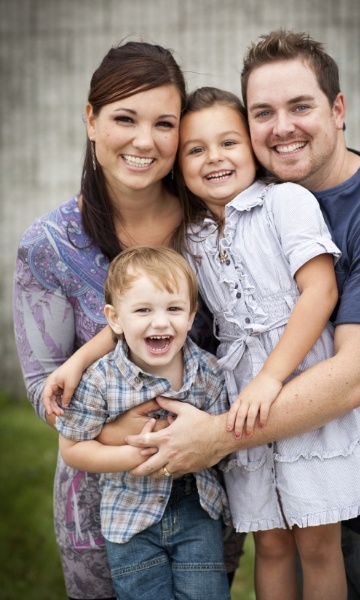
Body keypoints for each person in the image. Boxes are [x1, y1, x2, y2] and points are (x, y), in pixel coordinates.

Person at [127, 30, 360, 600]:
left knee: (322, 554)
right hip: (253, 416)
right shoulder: (202, 232)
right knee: (275, 547)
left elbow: (353, 364)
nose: (282, 127)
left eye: (300, 106)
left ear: (338, 109)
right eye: (265, 112)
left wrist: (226, 425)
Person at [13, 40, 243, 600]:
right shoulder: (49, 245)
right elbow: (49, 387)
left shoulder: (214, 226)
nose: (145, 141)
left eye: (164, 123)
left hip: (205, 499)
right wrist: (135, 437)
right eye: (124, 118)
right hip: (99, 510)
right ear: (91, 121)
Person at [176, 86, 360, 600]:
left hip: (302, 381)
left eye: (228, 141)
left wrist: (271, 377)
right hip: (241, 396)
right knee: (269, 545)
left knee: (318, 545)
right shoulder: (191, 234)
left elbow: (321, 290)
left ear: (252, 146)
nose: (215, 158)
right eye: (195, 149)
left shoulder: (284, 202)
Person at [55, 245, 231, 600]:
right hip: (128, 517)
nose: (161, 321)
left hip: (197, 510)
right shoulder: (101, 379)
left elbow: (221, 446)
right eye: (143, 310)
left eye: (174, 309)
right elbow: (73, 447)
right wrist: (137, 457)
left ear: (192, 313)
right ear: (115, 318)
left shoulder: (209, 374)